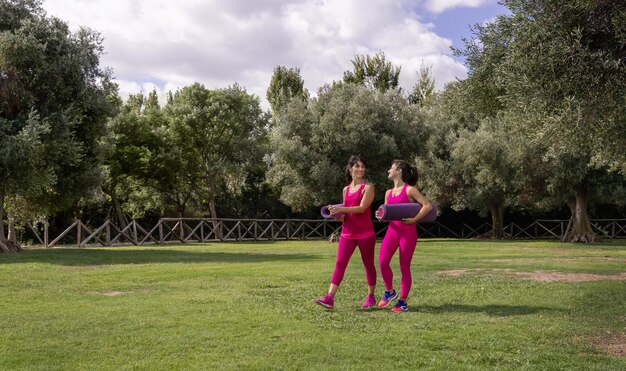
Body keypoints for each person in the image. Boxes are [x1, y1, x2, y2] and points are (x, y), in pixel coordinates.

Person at [315, 155, 377, 309]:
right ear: (350, 169)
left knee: (368, 265)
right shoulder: (346, 189)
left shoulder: (368, 187)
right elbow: (347, 214)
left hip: (365, 234)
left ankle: (371, 297)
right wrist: (339, 216)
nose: (360, 169)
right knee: (340, 264)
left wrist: (342, 208)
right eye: (357, 166)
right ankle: (329, 297)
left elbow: (361, 208)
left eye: (362, 167)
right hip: (347, 233)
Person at [376, 160, 432, 312]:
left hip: (408, 233)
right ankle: (390, 292)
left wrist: (414, 219)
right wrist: (381, 215)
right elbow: (389, 214)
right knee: (382, 261)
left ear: (399, 170)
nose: (389, 170)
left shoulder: (410, 190)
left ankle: (403, 302)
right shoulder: (388, 193)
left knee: (404, 267)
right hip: (392, 231)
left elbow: (427, 205)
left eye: (391, 168)